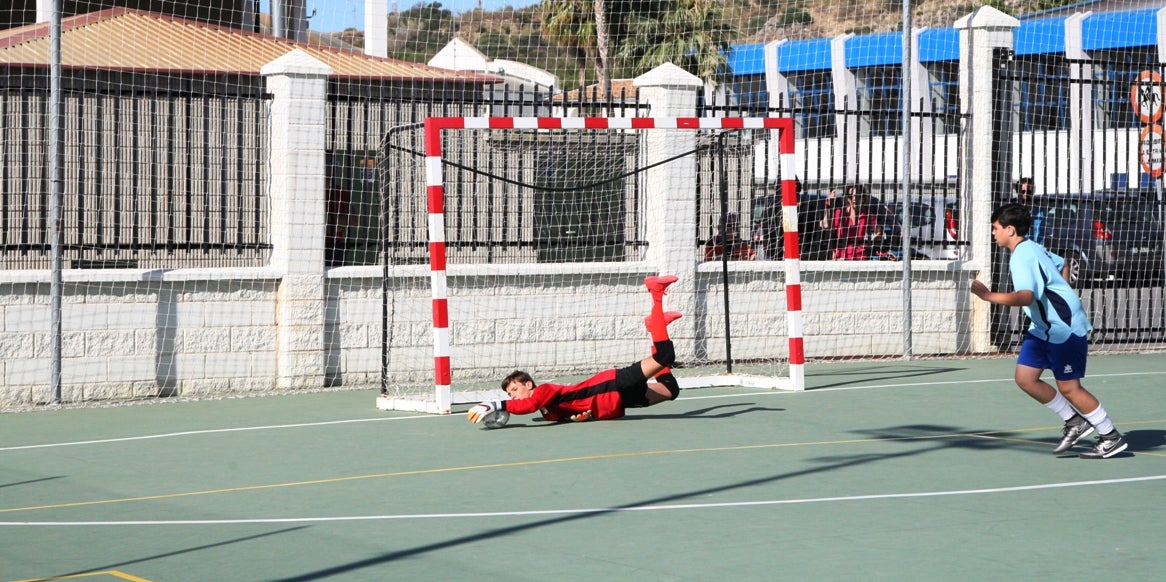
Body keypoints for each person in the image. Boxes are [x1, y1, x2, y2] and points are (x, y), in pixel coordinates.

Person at [970, 203, 1126, 459]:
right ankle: (1075, 422)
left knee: (1069, 388)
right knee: (1025, 378)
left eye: (995, 228)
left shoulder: (1023, 255)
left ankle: (1111, 437)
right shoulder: (1030, 247)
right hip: (1043, 328)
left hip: (1063, 328)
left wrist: (988, 296)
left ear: (1010, 230)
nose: (993, 233)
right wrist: (1062, 293)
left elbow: (1025, 296)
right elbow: (1062, 262)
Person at [468, 275, 683, 425]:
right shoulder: (548, 413)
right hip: (614, 403)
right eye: (508, 394)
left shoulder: (543, 392)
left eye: (514, 390)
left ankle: (655, 292)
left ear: (528, 384)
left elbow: (530, 405)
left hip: (610, 384)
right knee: (671, 389)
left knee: (665, 356)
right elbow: (560, 414)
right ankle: (654, 327)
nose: (512, 395)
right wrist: (582, 416)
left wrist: (495, 404)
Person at [822, 185, 877, 260]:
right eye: (851, 196)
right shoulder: (840, 213)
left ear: (863, 198)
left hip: (860, 255)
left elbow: (878, 231)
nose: (854, 199)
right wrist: (829, 207)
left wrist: (869, 242)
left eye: (857, 196)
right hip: (841, 254)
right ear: (848, 198)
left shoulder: (866, 214)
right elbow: (826, 226)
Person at [1013, 177, 1043, 244]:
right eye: (1023, 192)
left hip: (1036, 247)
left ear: (1033, 191)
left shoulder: (1039, 211)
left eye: (1028, 192)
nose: (1025, 194)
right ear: (1017, 192)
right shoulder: (1013, 210)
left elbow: (1040, 233)